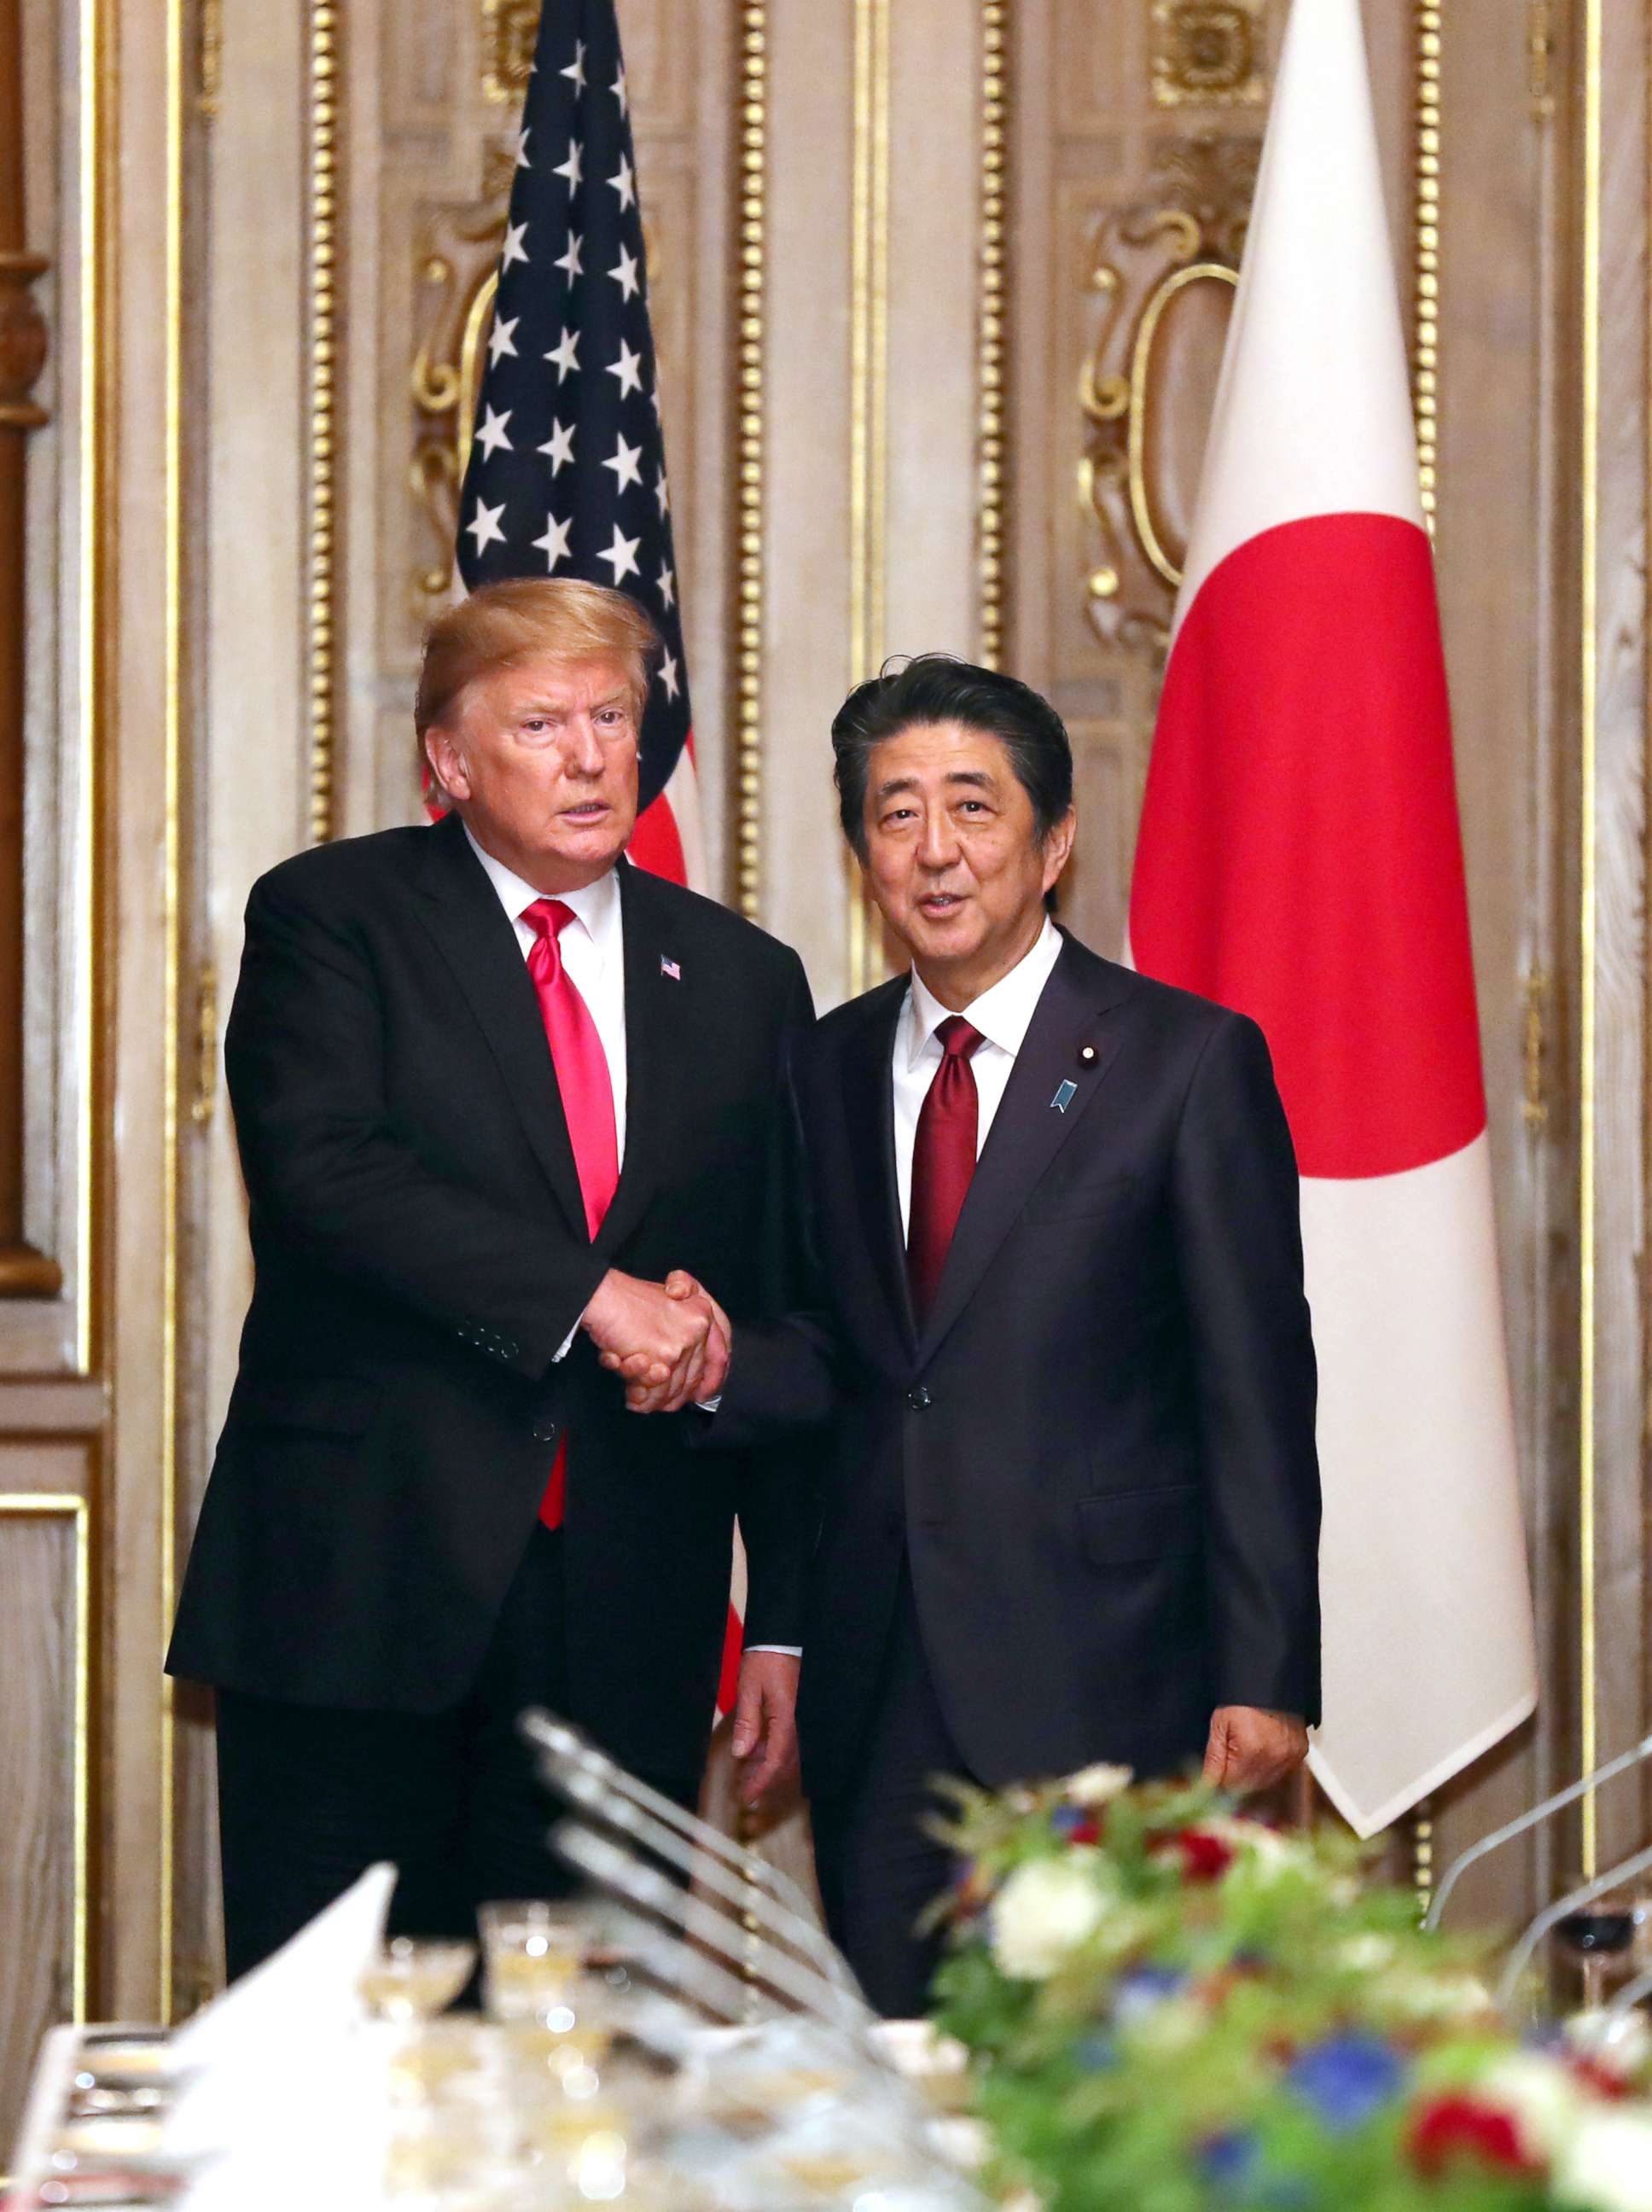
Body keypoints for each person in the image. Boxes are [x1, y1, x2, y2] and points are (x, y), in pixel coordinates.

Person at [625, 655, 1321, 2018]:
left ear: (1053, 843)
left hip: (1118, 1680)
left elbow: (1256, 1390)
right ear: (862, 852)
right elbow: (832, 1359)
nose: (934, 852)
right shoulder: (819, 1068)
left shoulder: (1184, 1063)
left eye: (973, 809)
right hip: (881, 1689)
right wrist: (716, 1357)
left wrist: (1268, 1671)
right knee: (906, 2074)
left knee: (1107, 2089)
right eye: (894, 814)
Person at [168, 578, 811, 1978]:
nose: (589, 756)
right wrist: (601, 1299)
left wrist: (795, 1623)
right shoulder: (335, 917)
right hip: (363, 1584)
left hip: (629, 1620)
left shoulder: (746, 980)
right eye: (541, 723)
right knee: (342, 2069)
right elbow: (328, 1177)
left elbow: (785, 1312)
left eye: (613, 718)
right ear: (449, 762)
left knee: (587, 2077)